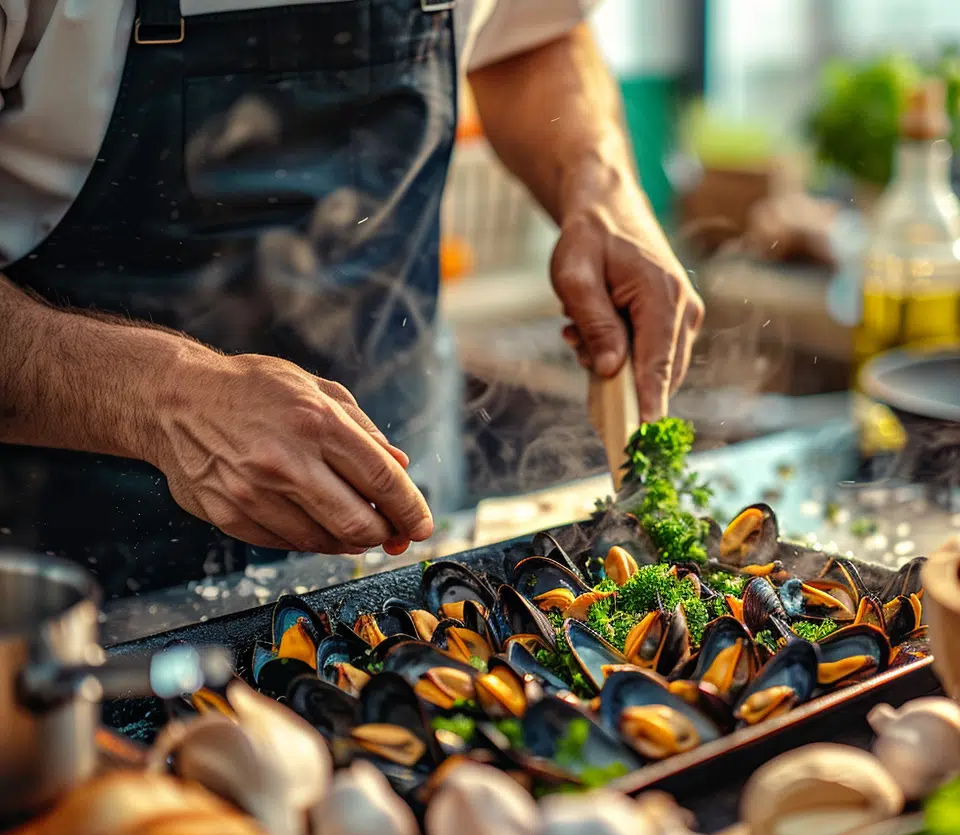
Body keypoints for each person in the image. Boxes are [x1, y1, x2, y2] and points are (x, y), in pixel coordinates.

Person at [0, 0, 704, 598]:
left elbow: (531, 34)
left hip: (399, 491)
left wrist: (600, 187)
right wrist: (164, 399)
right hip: (61, 563)